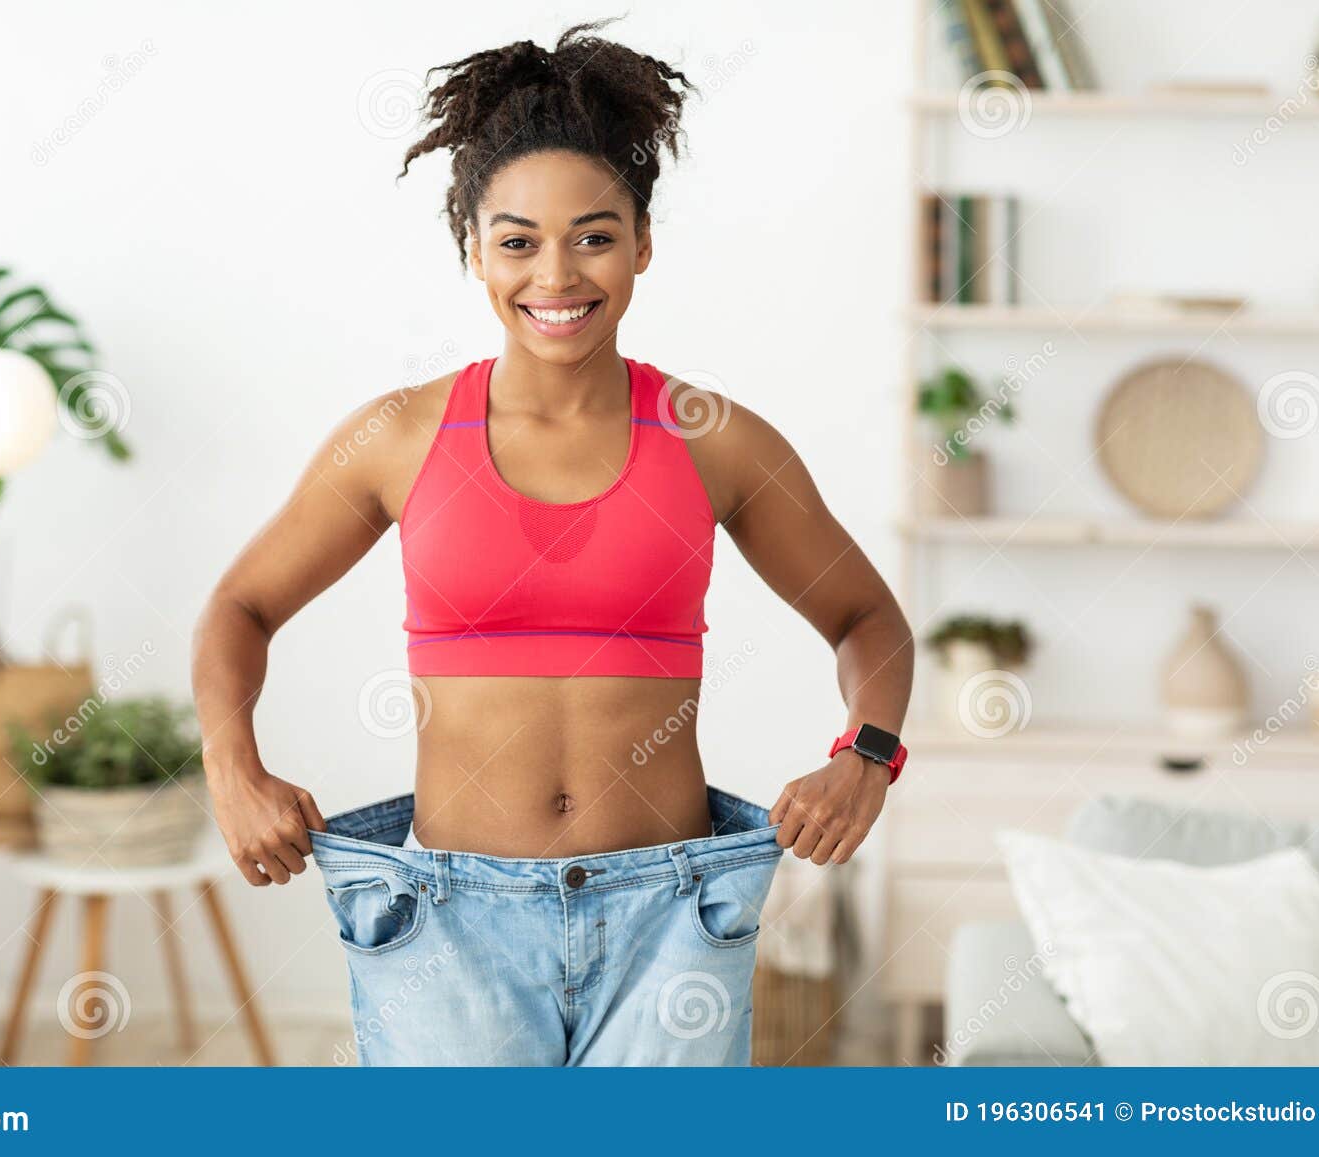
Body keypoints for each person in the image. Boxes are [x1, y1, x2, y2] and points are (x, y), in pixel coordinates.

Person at [190, 20, 914, 1066]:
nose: (557, 273)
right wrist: (230, 766)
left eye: (595, 233)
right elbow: (239, 607)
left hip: (670, 914)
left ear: (642, 242)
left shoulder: (714, 439)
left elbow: (867, 618)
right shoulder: (396, 437)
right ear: (473, 249)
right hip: (449, 919)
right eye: (518, 239)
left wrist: (867, 758)